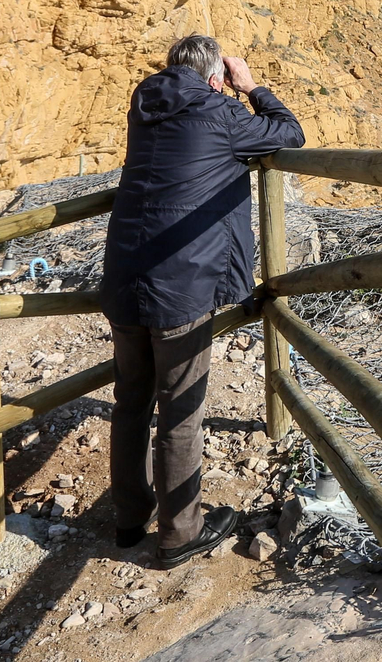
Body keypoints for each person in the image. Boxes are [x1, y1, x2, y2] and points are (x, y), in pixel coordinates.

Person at [100, 34, 305, 566]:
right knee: (180, 411)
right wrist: (251, 87)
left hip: (125, 277)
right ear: (215, 77)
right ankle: (179, 534)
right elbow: (291, 133)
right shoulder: (220, 111)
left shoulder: (143, 104)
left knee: (131, 402)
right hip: (180, 287)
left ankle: (128, 521)